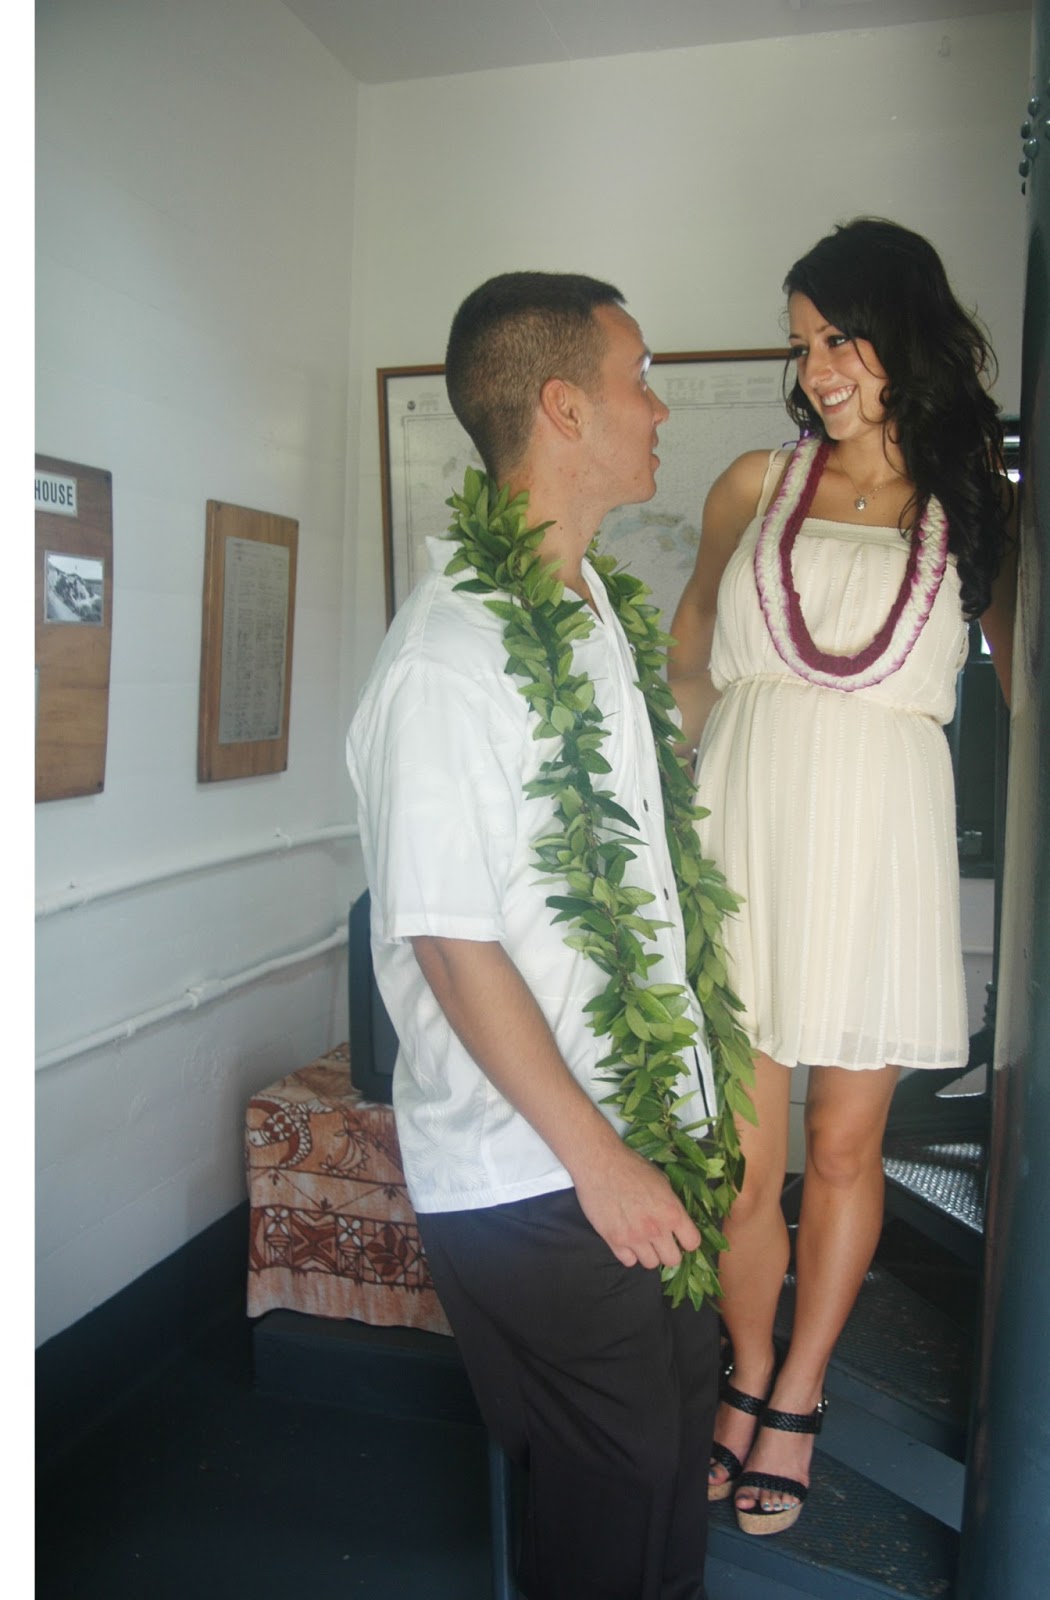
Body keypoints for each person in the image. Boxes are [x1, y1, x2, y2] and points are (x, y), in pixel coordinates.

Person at [347, 272, 723, 1599]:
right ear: (565, 407)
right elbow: (450, 944)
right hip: (538, 1171)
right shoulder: (446, 658)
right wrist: (601, 1163)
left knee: (669, 1461)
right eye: (639, 381)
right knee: (616, 1494)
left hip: (637, 1136)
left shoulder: (592, 611)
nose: (658, 409)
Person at [668, 217, 1016, 1539]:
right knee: (740, 1160)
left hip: (880, 847)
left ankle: (799, 1392)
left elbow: (1024, 685)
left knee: (842, 1144)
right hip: (745, 836)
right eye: (802, 343)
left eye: (841, 339)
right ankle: (746, 1366)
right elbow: (691, 649)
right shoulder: (752, 483)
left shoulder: (977, 510)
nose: (816, 369)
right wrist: (697, 791)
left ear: (903, 337)